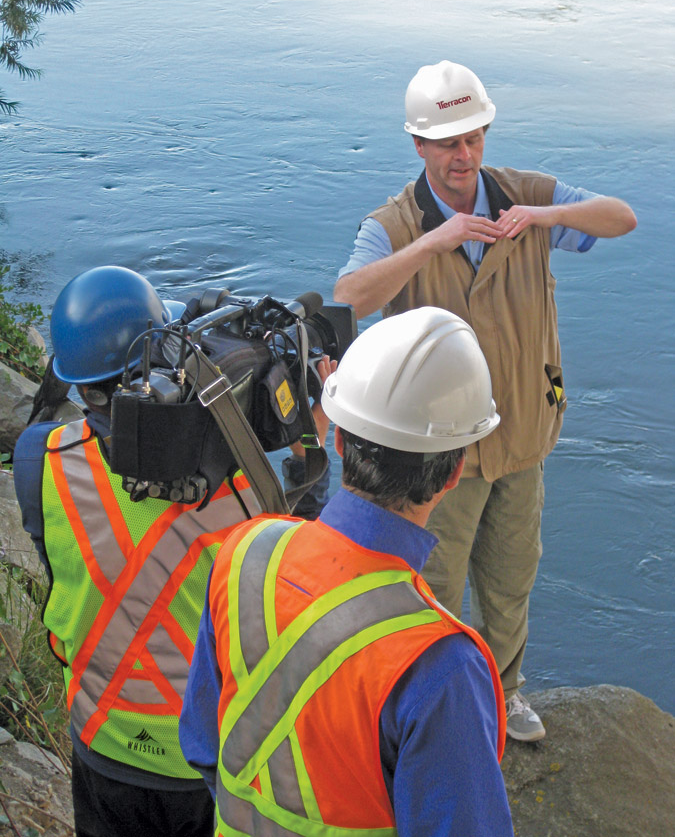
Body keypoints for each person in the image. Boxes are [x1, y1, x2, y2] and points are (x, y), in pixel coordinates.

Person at [333, 60, 638, 742]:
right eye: (446, 142)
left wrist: (547, 214)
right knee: (432, 588)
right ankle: (420, 708)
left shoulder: (522, 197)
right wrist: (435, 241)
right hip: (438, 454)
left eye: (472, 137)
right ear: (418, 146)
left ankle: (505, 692)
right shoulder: (394, 223)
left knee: (509, 579)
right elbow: (347, 298)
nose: (462, 155)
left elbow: (621, 218)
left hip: (523, 436)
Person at [12, 265, 331, 837]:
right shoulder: (240, 485)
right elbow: (304, 548)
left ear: (74, 378)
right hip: (204, 757)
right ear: (161, 357)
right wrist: (312, 430)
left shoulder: (42, 461)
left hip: (100, 735)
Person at [179, 307, 514, 837]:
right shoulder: (439, 664)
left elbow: (201, 744)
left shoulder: (246, 554)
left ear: (336, 439)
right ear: (453, 473)